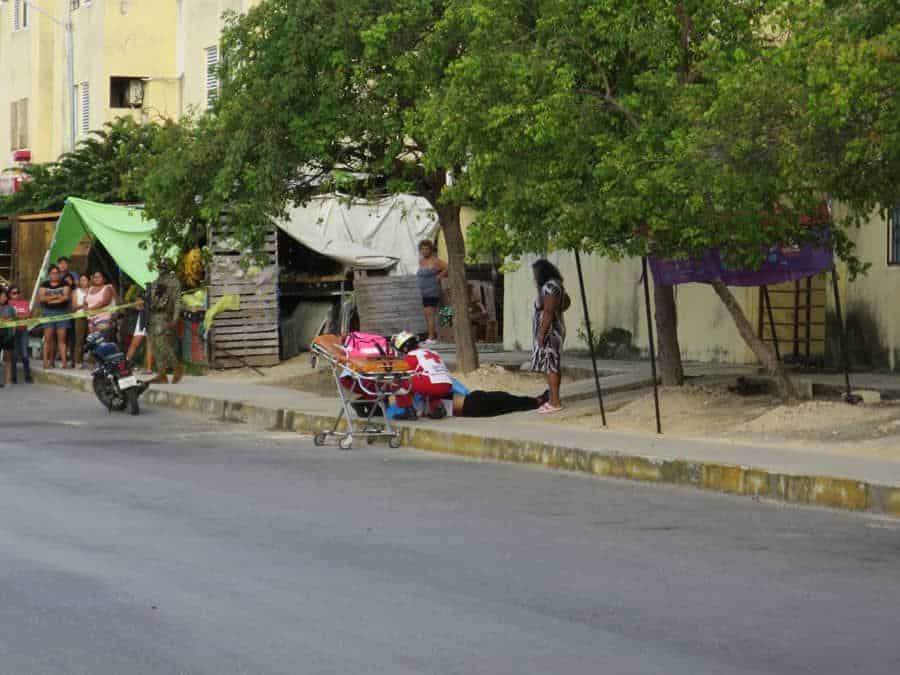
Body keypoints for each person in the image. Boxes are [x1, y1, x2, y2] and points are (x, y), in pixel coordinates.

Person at [530, 259, 568, 413]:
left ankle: (555, 402)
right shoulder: (557, 285)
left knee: (552, 365)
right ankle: (553, 399)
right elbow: (566, 303)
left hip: (550, 332)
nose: (534, 277)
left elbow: (548, 311)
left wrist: (541, 332)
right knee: (551, 364)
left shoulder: (549, 287)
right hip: (556, 329)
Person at [391, 331, 454, 420]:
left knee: (398, 382)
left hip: (431, 384)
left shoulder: (411, 355)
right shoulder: (432, 352)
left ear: (405, 348)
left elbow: (402, 373)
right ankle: (436, 408)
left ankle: (408, 410)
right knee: (431, 383)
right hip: (447, 384)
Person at [147, 269, 184, 384]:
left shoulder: (174, 282)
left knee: (161, 343)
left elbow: (178, 301)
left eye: (163, 266)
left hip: (163, 316)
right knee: (154, 346)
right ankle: (161, 374)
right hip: (152, 315)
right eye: (159, 266)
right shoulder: (155, 282)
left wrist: (175, 318)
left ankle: (176, 366)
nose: (160, 268)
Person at [38, 264, 72, 369]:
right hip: (48, 313)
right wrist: (58, 296)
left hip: (62, 312)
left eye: (57, 273)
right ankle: (45, 362)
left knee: (61, 339)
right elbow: (42, 298)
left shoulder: (65, 283)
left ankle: (64, 363)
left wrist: (50, 298)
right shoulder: (44, 284)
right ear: (49, 274)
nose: (55, 275)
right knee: (48, 339)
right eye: (53, 273)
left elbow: (65, 298)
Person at [416, 240, 447, 346]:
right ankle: (431, 336)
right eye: (422, 249)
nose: (424, 251)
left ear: (431, 249)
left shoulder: (435, 260)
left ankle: (431, 338)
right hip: (424, 292)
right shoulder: (421, 261)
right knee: (426, 315)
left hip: (432, 291)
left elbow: (447, 267)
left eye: (426, 248)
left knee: (430, 315)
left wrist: (439, 276)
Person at [7, 285, 32, 383]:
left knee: (25, 354)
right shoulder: (8, 304)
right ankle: (13, 377)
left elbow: (28, 314)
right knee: (14, 354)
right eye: (14, 293)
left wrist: (18, 316)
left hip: (23, 330)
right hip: (12, 331)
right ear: (9, 294)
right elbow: (10, 316)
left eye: (18, 292)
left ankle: (27, 375)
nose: (16, 295)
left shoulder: (24, 302)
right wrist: (21, 316)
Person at [85, 270, 116, 341]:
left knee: (101, 341)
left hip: (104, 319)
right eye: (95, 277)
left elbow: (105, 301)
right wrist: (86, 310)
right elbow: (85, 302)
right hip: (91, 320)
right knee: (92, 341)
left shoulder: (108, 287)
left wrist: (90, 309)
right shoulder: (90, 289)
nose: (97, 279)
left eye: (99, 277)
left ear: (104, 278)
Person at [72, 274, 90, 368]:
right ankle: (77, 361)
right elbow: (74, 306)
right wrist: (83, 305)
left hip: (91, 316)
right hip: (80, 316)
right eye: (81, 280)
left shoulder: (92, 290)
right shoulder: (76, 292)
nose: (83, 282)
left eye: (85, 280)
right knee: (79, 340)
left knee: (90, 339)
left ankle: (90, 360)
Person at [0, 287, 15, 387]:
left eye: (6, 296)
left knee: (8, 358)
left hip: (7, 335)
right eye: (3, 296)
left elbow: (13, 322)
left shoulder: (10, 308)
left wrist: (12, 334)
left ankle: (8, 381)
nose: (4, 298)